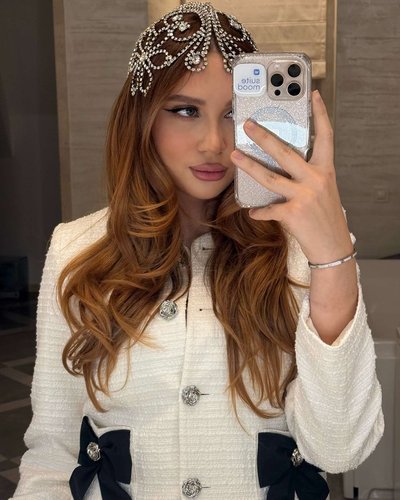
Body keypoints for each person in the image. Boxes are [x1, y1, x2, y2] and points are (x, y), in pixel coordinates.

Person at [12, 2, 383, 499]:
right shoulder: (77, 250)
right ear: (142, 118)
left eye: (233, 113)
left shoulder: (307, 254)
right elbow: (52, 457)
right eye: (185, 110)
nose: (213, 142)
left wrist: (333, 255)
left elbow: (339, 451)